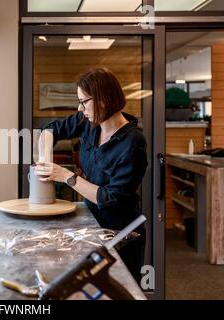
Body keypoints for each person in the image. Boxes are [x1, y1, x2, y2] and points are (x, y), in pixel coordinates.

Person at [36, 67, 148, 282]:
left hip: (121, 232)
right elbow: (49, 130)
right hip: (91, 224)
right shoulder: (89, 124)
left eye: (83, 101)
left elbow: (111, 199)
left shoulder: (132, 142)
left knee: (119, 291)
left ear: (102, 100)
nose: (80, 108)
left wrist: (66, 176)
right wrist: (45, 160)